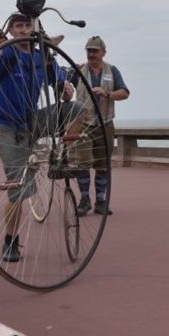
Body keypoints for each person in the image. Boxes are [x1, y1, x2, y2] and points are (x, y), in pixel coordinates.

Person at [0, 13, 84, 262]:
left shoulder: (42, 57)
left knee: (78, 109)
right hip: (9, 125)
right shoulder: (7, 52)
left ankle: (62, 158)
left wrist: (66, 90)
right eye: (18, 26)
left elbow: (64, 94)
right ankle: (10, 241)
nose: (23, 29)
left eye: (28, 25)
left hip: (32, 121)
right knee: (18, 189)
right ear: (11, 30)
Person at [69, 36, 129, 217]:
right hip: (83, 123)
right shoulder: (78, 70)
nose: (91, 54)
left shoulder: (112, 70)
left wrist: (107, 93)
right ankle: (84, 200)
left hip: (105, 123)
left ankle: (101, 201)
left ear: (103, 52)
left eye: (95, 51)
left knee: (103, 164)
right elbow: (62, 86)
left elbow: (125, 93)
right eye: (89, 50)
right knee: (83, 163)